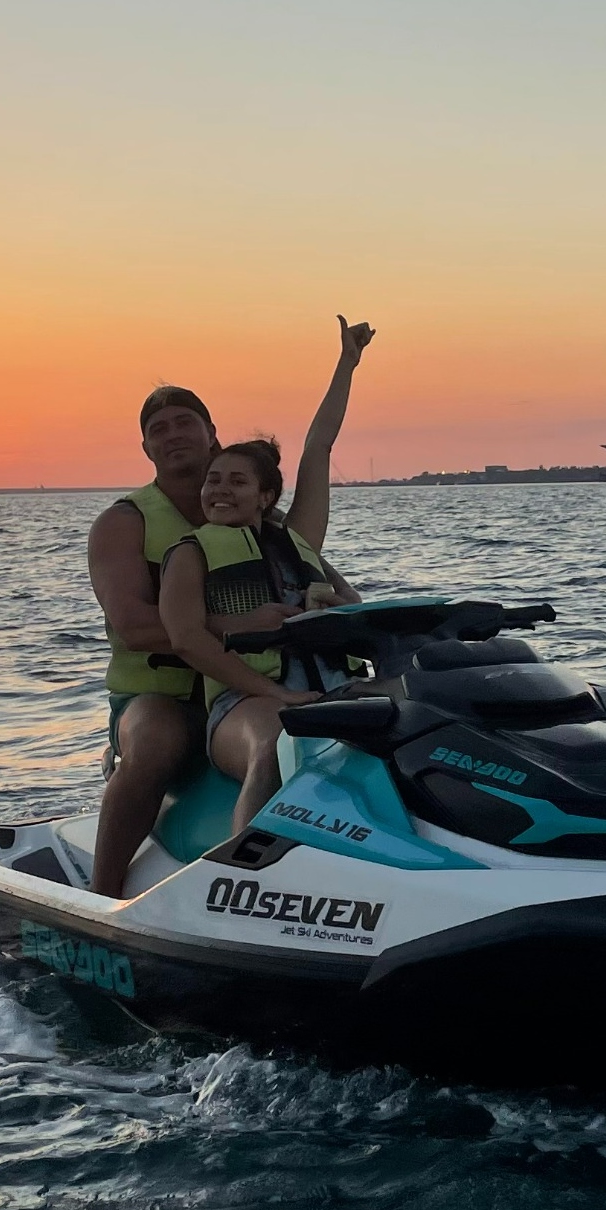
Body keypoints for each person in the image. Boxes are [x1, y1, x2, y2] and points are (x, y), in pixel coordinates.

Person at [82, 317, 373, 896]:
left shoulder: (273, 532)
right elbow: (136, 628)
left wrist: (346, 366)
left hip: (253, 688)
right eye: (157, 428)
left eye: (185, 421)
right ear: (145, 447)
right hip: (161, 695)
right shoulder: (125, 523)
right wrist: (241, 626)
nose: (172, 433)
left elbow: (319, 449)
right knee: (160, 742)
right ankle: (102, 894)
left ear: (213, 432)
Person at [158, 320, 374, 835]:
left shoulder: (297, 540)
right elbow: (187, 640)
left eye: (236, 481)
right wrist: (277, 695)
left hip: (333, 687)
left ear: (266, 496)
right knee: (279, 744)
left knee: (425, 708)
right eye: (213, 480)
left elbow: (318, 447)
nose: (218, 490)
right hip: (245, 704)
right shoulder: (190, 554)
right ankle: (241, 873)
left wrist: (347, 364)